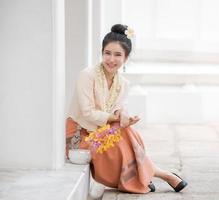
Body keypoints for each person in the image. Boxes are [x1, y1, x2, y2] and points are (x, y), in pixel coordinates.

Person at [66, 24, 188, 194]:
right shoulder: (87, 75)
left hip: (100, 131)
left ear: (126, 58)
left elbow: (116, 108)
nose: (111, 59)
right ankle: (161, 174)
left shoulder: (123, 83)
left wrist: (123, 115)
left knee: (127, 132)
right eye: (107, 53)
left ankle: (145, 175)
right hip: (79, 136)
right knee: (124, 136)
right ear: (101, 53)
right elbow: (88, 113)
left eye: (118, 55)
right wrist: (117, 119)